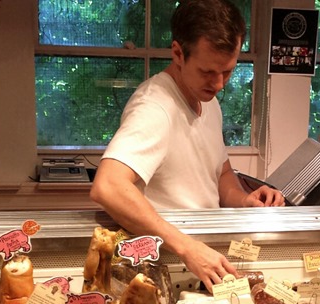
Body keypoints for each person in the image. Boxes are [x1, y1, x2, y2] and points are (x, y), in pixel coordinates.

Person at [90, 0, 285, 289]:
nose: (219, 84)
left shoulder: (208, 100)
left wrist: (245, 200)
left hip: (202, 259)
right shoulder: (154, 107)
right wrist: (186, 247)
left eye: (227, 71)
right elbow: (108, 187)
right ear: (178, 53)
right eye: (208, 72)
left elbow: (220, 174)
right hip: (166, 265)